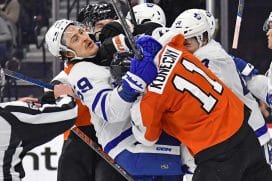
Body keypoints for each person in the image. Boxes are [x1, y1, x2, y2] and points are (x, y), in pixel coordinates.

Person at [45, 19, 185, 180]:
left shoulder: (100, 51)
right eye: (75, 39)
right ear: (68, 54)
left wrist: (136, 37)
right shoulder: (81, 72)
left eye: (81, 32)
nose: (84, 37)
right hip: (129, 146)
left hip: (151, 135)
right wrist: (134, 81)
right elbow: (110, 111)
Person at [0, 84, 78, 180]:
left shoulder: (9, 115)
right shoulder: (10, 116)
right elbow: (68, 113)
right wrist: (65, 95)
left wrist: (15, 108)